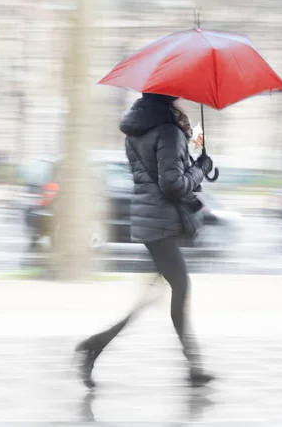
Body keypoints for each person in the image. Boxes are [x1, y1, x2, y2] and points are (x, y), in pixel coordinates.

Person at [75, 93, 216, 388]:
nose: (181, 103)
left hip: (149, 219)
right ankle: (96, 345)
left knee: (153, 294)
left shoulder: (138, 128)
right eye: (177, 98)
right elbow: (172, 183)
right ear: (169, 100)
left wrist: (193, 162)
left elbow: (156, 174)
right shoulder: (168, 129)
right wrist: (200, 166)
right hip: (162, 223)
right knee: (179, 288)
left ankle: (193, 366)